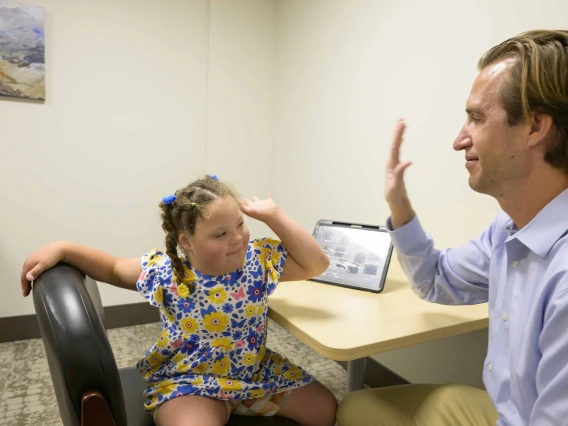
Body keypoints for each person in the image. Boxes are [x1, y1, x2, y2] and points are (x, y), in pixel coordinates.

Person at [337, 30, 568, 426]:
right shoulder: (510, 229)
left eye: (476, 118)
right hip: (507, 412)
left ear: (534, 127)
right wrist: (399, 205)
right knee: (355, 407)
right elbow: (436, 280)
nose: (459, 140)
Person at [20, 175, 337, 426]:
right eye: (220, 234)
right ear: (187, 242)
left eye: (240, 224)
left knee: (326, 410)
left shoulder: (260, 260)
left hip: (253, 375)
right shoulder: (168, 271)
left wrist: (275, 215)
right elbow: (113, 267)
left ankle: (241, 406)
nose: (237, 238)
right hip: (191, 382)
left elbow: (316, 264)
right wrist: (62, 248)